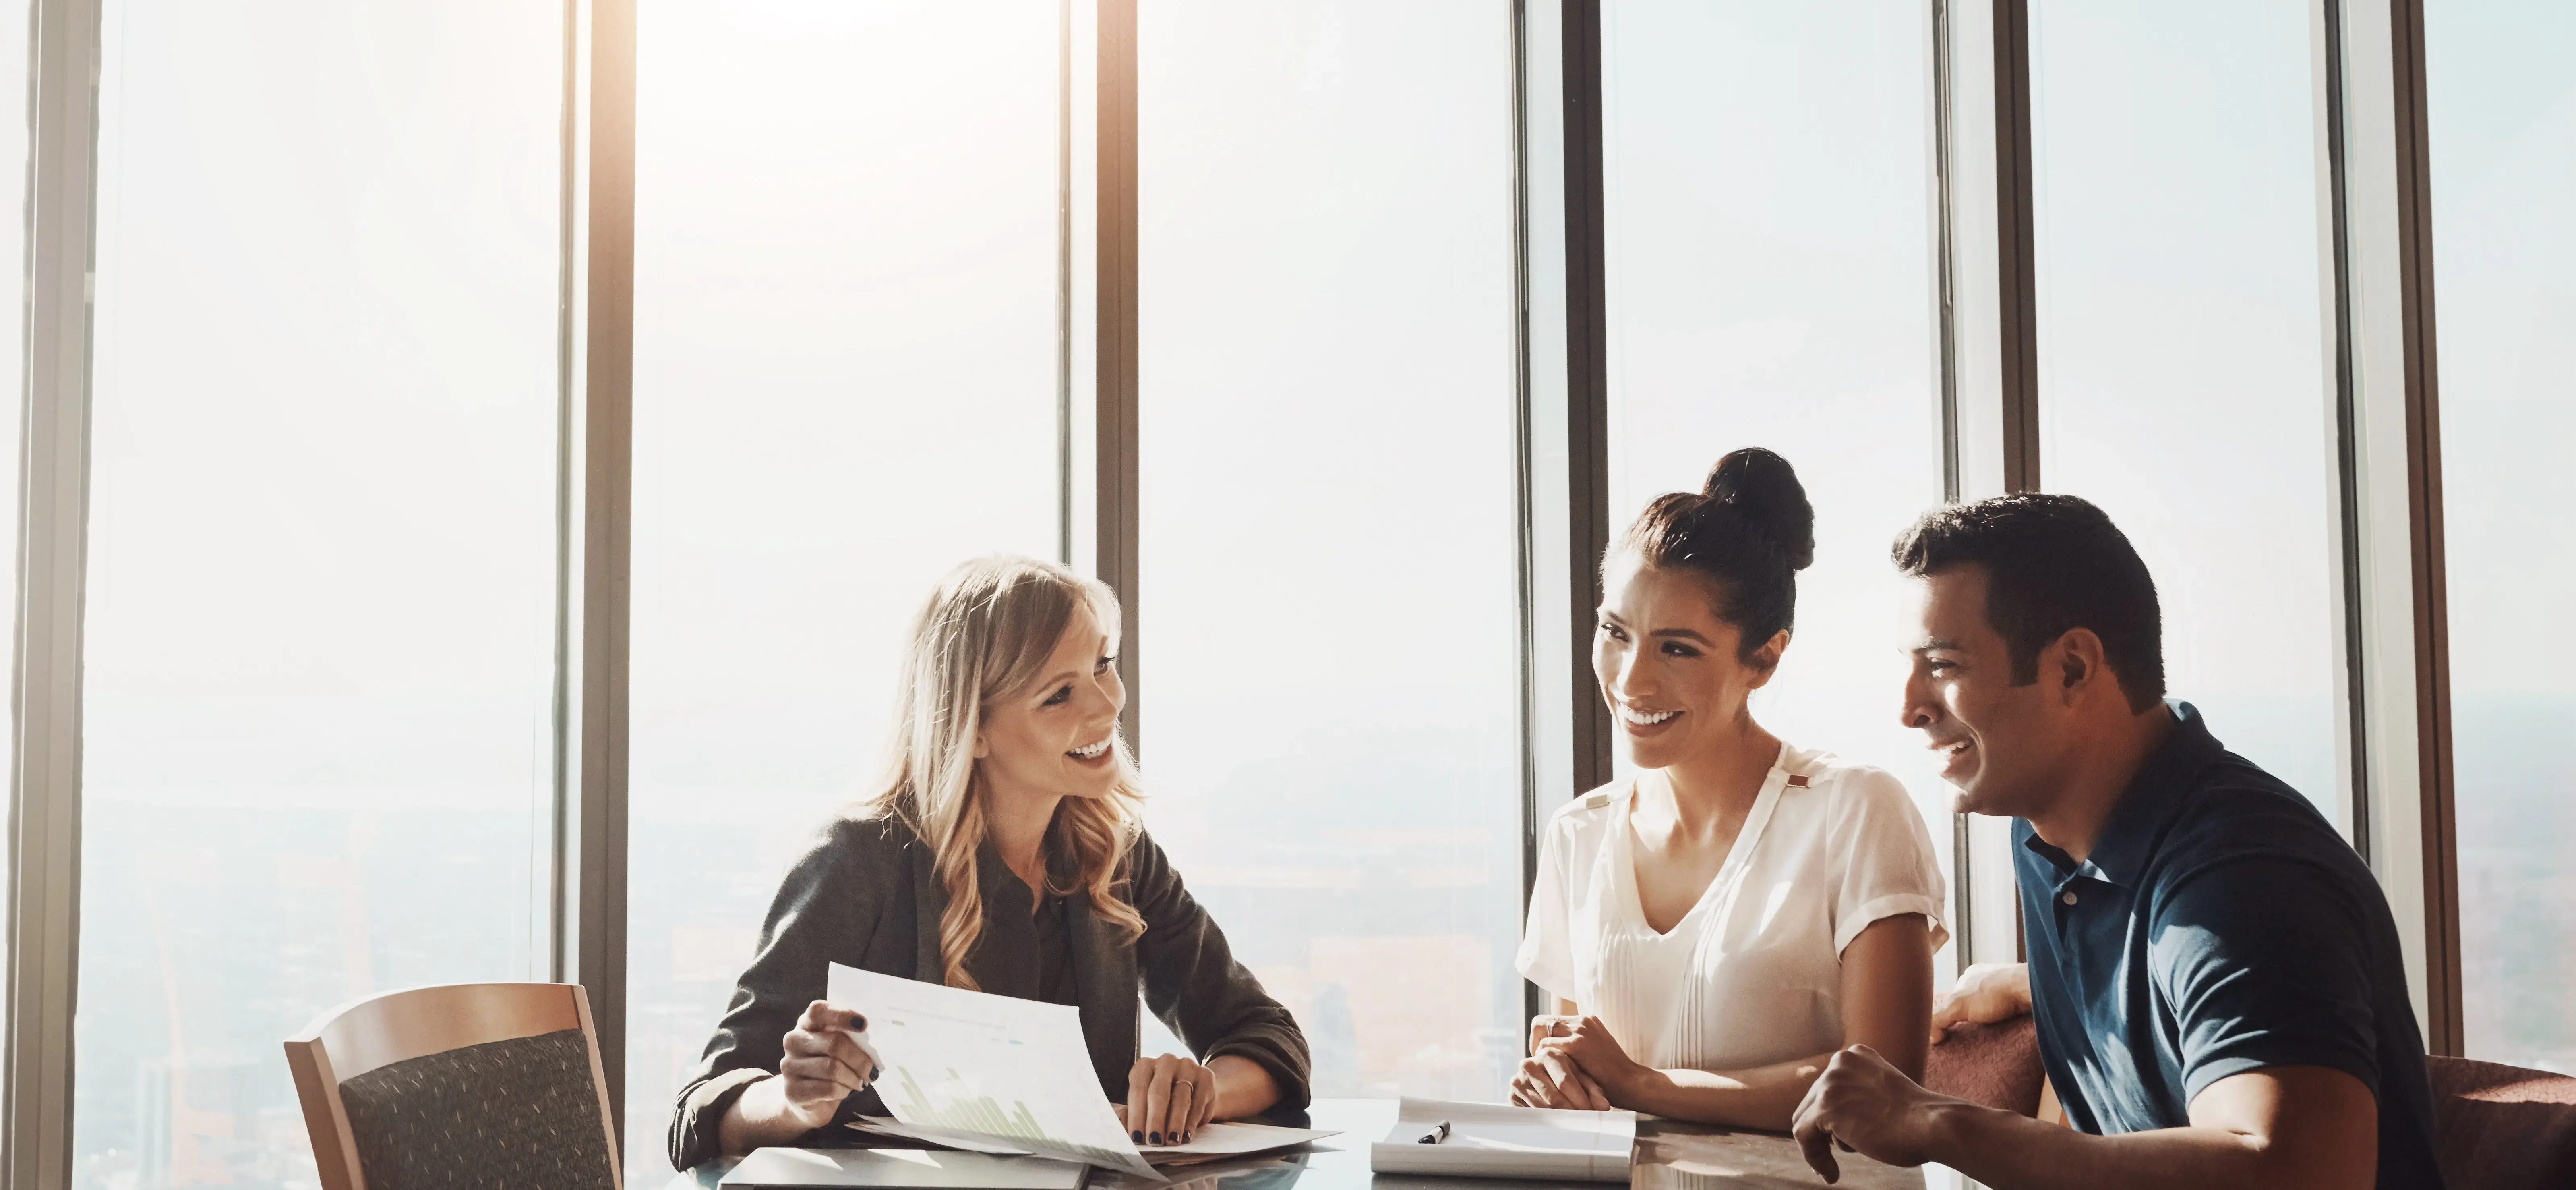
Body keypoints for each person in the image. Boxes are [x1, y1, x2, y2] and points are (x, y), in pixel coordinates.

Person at [1788, 494, 2444, 1190]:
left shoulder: (2242, 879)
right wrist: (2036, 985)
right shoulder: (2050, 837)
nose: (1909, 706)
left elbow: (2301, 1173)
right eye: (1909, 664)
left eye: (1944, 665)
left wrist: (1941, 1122)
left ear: (2072, 668)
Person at [666, 556, 1308, 1171]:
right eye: (1059, 694)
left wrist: (1199, 1090)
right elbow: (698, 1113)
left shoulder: (1117, 853)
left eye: (1102, 665)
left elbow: (1267, 1037)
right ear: (971, 728)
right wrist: (791, 1100)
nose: (1107, 705)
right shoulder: (860, 857)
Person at [1512, 448, 1949, 1131]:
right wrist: (1561, 1087)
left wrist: (1642, 1083)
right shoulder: (1580, 833)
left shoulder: (1855, 811)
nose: (1631, 681)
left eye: (1677, 648)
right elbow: (1586, 1083)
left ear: (1766, 657)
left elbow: (1882, 1087)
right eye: (1614, 632)